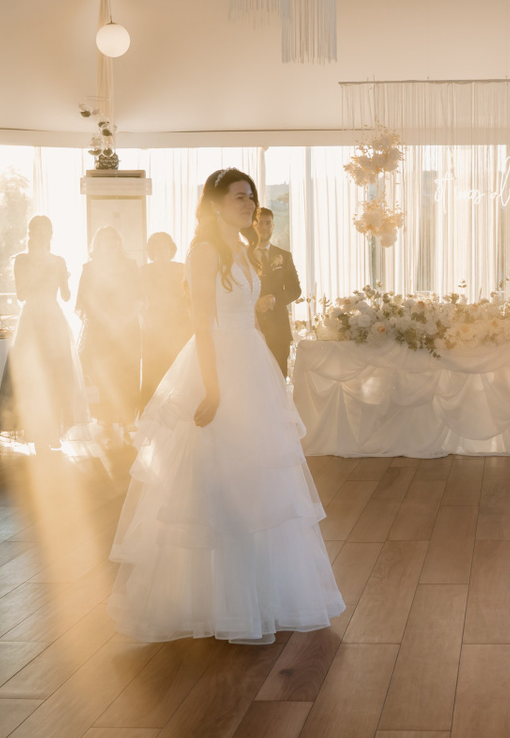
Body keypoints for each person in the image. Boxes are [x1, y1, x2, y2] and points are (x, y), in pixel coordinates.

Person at [107, 169, 345, 644]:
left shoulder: (243, 249)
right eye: (239, 197)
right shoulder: (204, 252)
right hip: (216, 363)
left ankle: (263, 595)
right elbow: (200, 323)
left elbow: (248, 317)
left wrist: (265, 373)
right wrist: (213, 389)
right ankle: (214, 602)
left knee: (256, 481)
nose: (249, 204)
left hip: (251, 364)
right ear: (215, 204)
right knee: (214, 480)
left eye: (251, 197)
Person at [3, 216, 89, 450]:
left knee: (56, 375)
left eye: (46, 230)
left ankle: (53, 432)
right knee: (33, 376)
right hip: (31, 318)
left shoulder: (58, 260)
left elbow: (66, 296)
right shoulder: (21, 260)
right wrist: (39, 274)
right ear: (30, 233)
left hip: (53, 318)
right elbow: (21, 294)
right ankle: (37, 433)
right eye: (37, 230)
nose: (42, 234)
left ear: (51, 234)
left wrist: (66, 278)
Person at [79, 227, 145, 430]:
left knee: (128, 371)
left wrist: (124, 319)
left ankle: (128, 418)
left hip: (128, 327)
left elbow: (140, 296)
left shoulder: (131, 265)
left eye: (115, 239)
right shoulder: (89, 268)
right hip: (101, 329)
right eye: (108, 239)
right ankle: (106, 418)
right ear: (98, 244)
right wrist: (107, 320)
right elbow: (84, 301)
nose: (112, 243)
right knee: (104, 373)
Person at [140, 232, 192, 405]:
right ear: (152, 251)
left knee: (177, 366)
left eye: (165, 247)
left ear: (171, 250)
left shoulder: (181, 268)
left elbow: (189, 294)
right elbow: (140, 298)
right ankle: (151, 407)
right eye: (157, 248)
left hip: (179, 323)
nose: (161, 251)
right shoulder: (144, 271)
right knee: (153, 368)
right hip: (155, 324)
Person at [250, 208, 302, 376]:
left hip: (279, 329)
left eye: (268, 223)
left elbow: (295, 290)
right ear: (253, 225)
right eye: (259, 223)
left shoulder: (284, 256)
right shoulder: (243, 255)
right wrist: (254, 302)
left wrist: (274, 300)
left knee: (279, 377)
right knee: (253, 377)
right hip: (250, 326)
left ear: (273, 226)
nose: (263, 227)